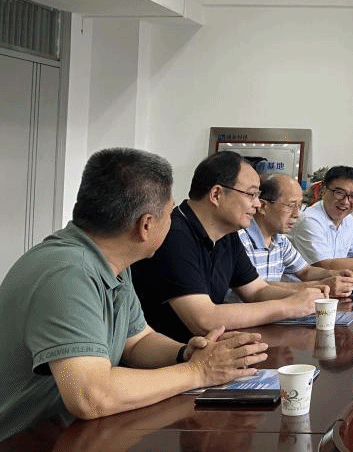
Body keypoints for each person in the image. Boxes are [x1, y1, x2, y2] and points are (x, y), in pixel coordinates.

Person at [0, 148, 268, 442]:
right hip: (21, 440)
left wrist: (186, 353)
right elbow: (91, 396)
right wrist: (199, 372)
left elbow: (137, 341)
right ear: (146, 225)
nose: (173, 221)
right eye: (170, 213)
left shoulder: (113, 263)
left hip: (70, 433)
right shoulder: (67, 273)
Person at [131, 151, 325, 343]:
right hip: (166, 356)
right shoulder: (174, 234)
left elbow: (256, 291)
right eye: (251, 194)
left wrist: (307, 298)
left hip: (205, 351)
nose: (257, 204)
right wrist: (289, 306)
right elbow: (204, 319)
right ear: (216, 194)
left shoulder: (227, 235)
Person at [225, 173, 353, 303]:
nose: (297, 214)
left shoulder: (280, 240)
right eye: (291, 206)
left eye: (299, 206)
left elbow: (305, 271)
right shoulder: (239, 240)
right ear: (263, 206)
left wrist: (334, 274)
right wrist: (319, 285)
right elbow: (256, 288)